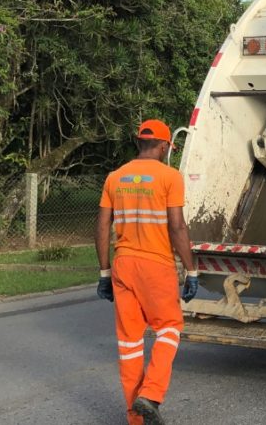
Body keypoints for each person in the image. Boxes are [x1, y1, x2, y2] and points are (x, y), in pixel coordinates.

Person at [95, 119, 199, 424]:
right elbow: (177, 226)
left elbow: (102, 226)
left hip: (123, 264)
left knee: (129, 343)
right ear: (166, 146)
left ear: (139, 143)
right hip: (156, 265)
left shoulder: (115, 177)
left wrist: (104, 273)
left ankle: (136, 419)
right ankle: (151, 394)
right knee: (169, 327)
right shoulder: (170, 176)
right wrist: (191, 270)